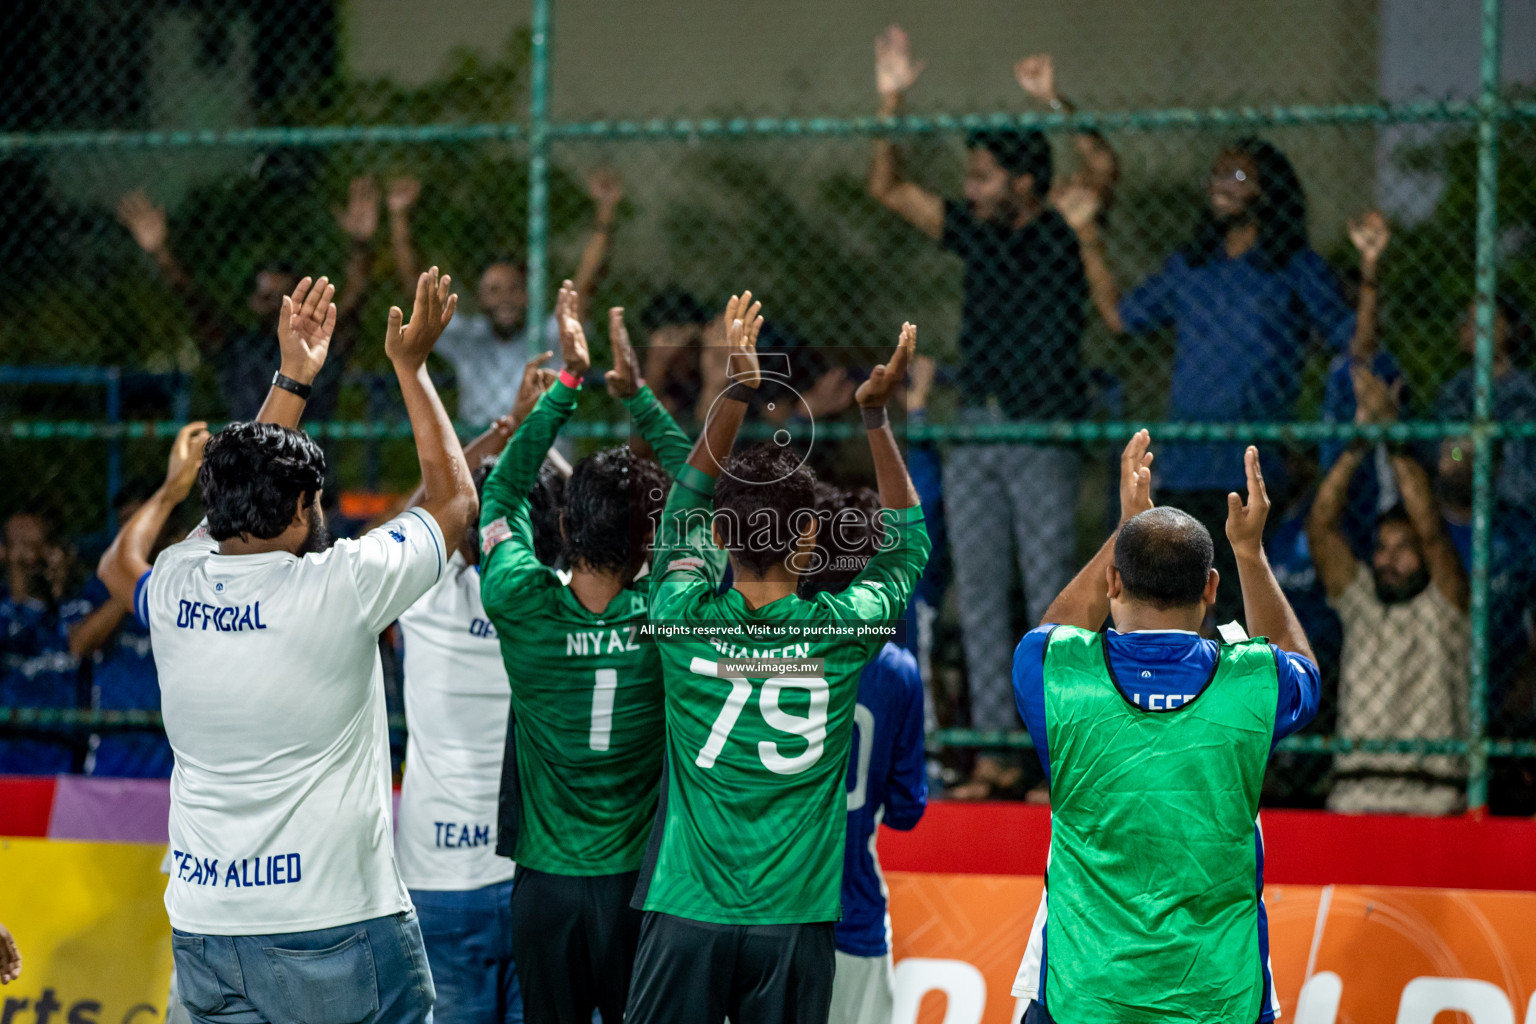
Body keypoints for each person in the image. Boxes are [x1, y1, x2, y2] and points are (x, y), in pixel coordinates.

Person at [97, 268, 477, 1023]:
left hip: (207, 927)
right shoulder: (339, 587)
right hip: (334, 924)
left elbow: (215, 509)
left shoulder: (175, 583)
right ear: (303, 506)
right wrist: (411, 367)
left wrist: (292, 380)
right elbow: (453, 499)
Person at [624, 300, 930, 1024]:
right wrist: (877, 420)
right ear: (807, 546)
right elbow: (908, 542)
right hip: (794, 921)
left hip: (687, 909)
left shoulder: (678, 615)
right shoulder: (848, 631)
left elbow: (684, 506)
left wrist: (735, 392)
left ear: (723, 542)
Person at [1010, 432, 1320, 1023]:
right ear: (1210, 589)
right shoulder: (1255, 680)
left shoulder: (1059, 674)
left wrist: (1127, 525)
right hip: (1218, 998)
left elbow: (1046, 634)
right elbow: (1301, 664)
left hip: (1083, 995)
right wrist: (1251, 554)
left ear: (1113, 583)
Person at [869, 25, 1086, 760]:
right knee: (982, 596)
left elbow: (1102, 172)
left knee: (1051, 593)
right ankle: (996, 751)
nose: (970, 188)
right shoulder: (976, 230)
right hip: (976, 424)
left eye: (985, 176)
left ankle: (1053, 750)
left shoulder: (1062, 229)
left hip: (1042, 428)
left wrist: (1057, 102)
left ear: (1024, 182)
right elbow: (888, 189)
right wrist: (892, 97)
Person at [478, 283, 690, 1024]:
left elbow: (500, 497)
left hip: (545, 887)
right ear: (648, 543)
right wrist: (639, 398)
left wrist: (567, 384)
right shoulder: (666, 612)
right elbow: (706, 494)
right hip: (637, 884)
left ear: (565, 520)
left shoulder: (522, 604)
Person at [1065, 135, 1357, 627]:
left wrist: (1369, 270)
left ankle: (1246, 702)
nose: (1222, 186)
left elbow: (1352, 340)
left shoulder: (1294, 268)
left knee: (1244, 618)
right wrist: (1087, 234)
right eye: (1217, 175)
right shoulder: (1191, 267)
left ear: (1268, 192)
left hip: (1253, 468)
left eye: (1238, 177)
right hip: (1187, 469)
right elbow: (1120, 315)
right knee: (1185, 609)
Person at [393, 360, 560, 1024]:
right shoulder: (560, 598)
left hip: (438, 879)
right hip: (532, 870)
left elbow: (422, 504)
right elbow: (579, 513)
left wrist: (502, 434)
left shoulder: (425, 595)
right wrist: (537, 432)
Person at [1308, 371, 1468, 815]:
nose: (1388, 559)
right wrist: (1359, 442)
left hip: (1433, 798)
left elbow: (1432, 531)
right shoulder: (1362, 602)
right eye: (1381, 548)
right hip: (1354, 794)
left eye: (1403, 549)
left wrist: (1393, 438)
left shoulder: (1446, 604)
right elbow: (1321, 527)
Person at [799, 486, 928, 1024]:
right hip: (852, 916)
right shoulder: (895, 671)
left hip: (762, 909)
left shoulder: (761, 644)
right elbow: (905, 809)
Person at [116, 179, 380, 421]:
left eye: (284, 297)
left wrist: (361, 243)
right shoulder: (240, 351)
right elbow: (196, 305)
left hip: (307, 471)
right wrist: (162, 254)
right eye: (268, 297)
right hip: (251, 470)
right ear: (254, 301)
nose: (279, 306)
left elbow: (352, 303)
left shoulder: (318, 352)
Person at [387, 171, 622, 426]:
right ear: (480, 299)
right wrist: (399, 218)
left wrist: (605, 214)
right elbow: (418, 294)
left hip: (542, 460)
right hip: (481, 461)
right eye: (494, 290)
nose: (505, 299)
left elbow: (585, 287)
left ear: (528, 295)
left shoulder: (549, 337)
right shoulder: (469, 340)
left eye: (514, 289)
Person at [0, 512, 115, 774]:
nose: (32, 554)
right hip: (8, 764)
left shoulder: (78, 609)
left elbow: (85, 641)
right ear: (4, 552)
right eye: (21, 544)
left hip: (67, 766)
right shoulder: (4, 613)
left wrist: (61, 586)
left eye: (40, 543)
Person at [1435, 294, 1536, 508]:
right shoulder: (1456, 390)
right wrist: (1459, 451)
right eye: (1468, 320)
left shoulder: (1529, 389)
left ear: (1511, 329)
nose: (1474, 328)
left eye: (1486, 319)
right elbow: (1448, 450)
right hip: (1469, 505)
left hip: (1522, 504)